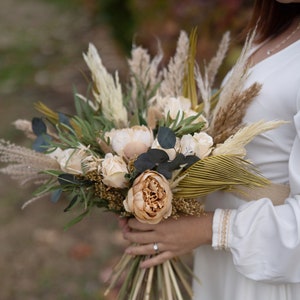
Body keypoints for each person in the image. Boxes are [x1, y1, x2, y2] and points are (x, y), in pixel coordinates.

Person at [120, 1, 300, 299]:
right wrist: (152, 193)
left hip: (268, 275)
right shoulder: (274, 32)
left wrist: (210, 228)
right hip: (221, 260)